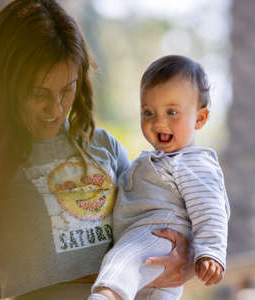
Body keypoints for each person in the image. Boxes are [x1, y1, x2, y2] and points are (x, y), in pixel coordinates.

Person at [0, 1, 193, 299]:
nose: (56, 108)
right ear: (5, 82)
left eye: (67, 89)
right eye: (39, 94)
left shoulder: (105, 147)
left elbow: (150, 223)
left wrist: (184, 254)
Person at [89, 55, 230, 300]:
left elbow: (211, 208)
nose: (159, 122)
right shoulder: (154, 159)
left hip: (154, 236)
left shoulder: (192, 161)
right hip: (160, 250)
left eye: (172, 112)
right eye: (148, 112)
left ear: (200, 118)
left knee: (120, 264)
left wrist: (210, 252)